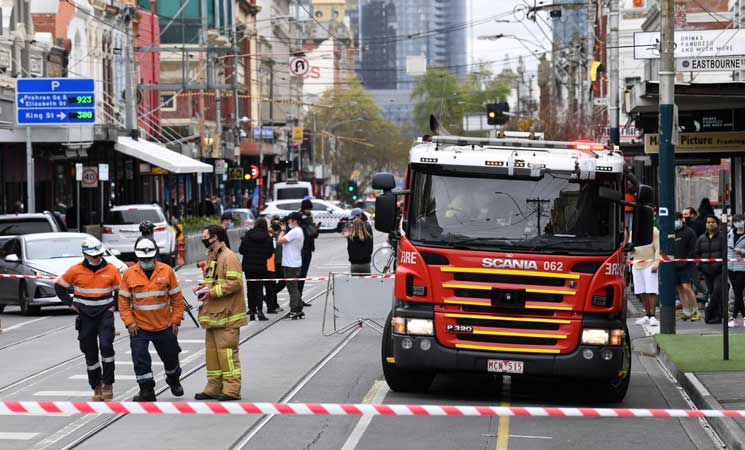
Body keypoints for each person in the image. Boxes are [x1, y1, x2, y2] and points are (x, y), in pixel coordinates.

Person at [54, 238, 121, 401]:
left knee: (106, 347)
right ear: (85, 255)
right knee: (90, 353)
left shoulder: (111, 270)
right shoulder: (76, 270)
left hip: (105, 314)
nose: (97, 258)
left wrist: (114, 306)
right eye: (93, 256)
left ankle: (108, 383)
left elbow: (121, 292)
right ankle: (96, 386)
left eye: (99, 255)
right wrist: (71, 304)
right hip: (85, 316)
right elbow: (59, 286)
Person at [118, 238, 185, 401]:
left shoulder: (166, 271)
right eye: (142, 259)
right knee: (140, 357)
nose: (146, 262)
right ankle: (146, 389)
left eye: (148, 259)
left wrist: (176, 320)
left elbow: (176, 298)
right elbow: (123, 302)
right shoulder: (129, 274)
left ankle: (173, 379)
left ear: (154, 256)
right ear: (138, 258)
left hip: (164, 325)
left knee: (171, 356)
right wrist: (129, 322)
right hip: (139, 327)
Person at [193, 225, 247, 401]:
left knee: (227, 354)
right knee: (213, 354)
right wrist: (202, 288)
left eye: (205, 236)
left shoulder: (228, 257)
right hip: (214, 315)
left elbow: (235, 282)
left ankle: (232, 389)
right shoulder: (213, 257)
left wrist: (212, 291)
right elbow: (213, 281)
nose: (203, 239)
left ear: (214, 237)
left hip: (228, 316)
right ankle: (213, 387)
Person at [239, 217, 273, 321]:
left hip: (248, 266)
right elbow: (270, 252)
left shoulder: (248, 235)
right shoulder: (267, 237)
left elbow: (241, 250)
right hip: (261, 266)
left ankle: (252, 310)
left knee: (250, 288)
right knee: (259, 288)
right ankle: (260, 311)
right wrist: (262, 257)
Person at [696, 216, 725, 324]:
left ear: (717, 223)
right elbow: (697, 253)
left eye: (712, 222)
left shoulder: (723, 237)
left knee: (716, 293)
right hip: (706, 271)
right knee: (713, 292)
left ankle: (710, 313)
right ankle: (717, 316)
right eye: (708, 222)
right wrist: (699, 266)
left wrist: (722, 266)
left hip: (719, 271)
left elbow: (725, 253)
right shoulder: (701, 238)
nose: (710, 224)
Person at [673, 212, 700, 321]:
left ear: (681, 219)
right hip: (674, 265)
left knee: (687, 287)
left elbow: (693, 249)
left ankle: (695, 311)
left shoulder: (689, 232)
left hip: (686, 265)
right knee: (680, 289)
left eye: (676, 220)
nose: (675, 223)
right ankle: (685, 311)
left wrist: (686, 261)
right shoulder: (672, 232)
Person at [278, 212, 305, 319]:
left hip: (290, 264)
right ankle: (298, 307)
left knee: (292, 288)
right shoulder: (299, 231)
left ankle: (294, 310)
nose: (288, 222)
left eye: (289, 220)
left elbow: (280, 240)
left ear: (294, 220)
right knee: (295, 287)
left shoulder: (295, 231)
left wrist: (283, 230)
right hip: (295, 262)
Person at [632, 226, 660, 326]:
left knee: (651, 291)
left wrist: (656, 263)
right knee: (642, 291)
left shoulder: (654, 230)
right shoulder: (634, 231)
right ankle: (647, 315)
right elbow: (632, 249)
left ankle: (653, 316)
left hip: (650, 264)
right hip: (636, 264)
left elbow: (658, 249)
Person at [298, 199, 319, 302]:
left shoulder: (311, 217)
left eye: (310, 209)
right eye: (307, 209)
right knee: (300, 274)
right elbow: (302, 231)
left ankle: (299, 297)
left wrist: (316, 230)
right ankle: (297, 298)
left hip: (309, 247)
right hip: (301, 248)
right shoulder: (298, 217)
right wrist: (308, 227)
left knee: (304, 274)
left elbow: (313, 234)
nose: (309, 211)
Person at [728, 214, 745, 328]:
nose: (737, 223)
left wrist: (742, 251)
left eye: (739, 220)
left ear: (743, 221)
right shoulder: (730, 233)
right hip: (731, 266)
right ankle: (743, 317)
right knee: (737, 292)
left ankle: (734, 318)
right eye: (735, 221)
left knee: (738, 292)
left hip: (742, 266)